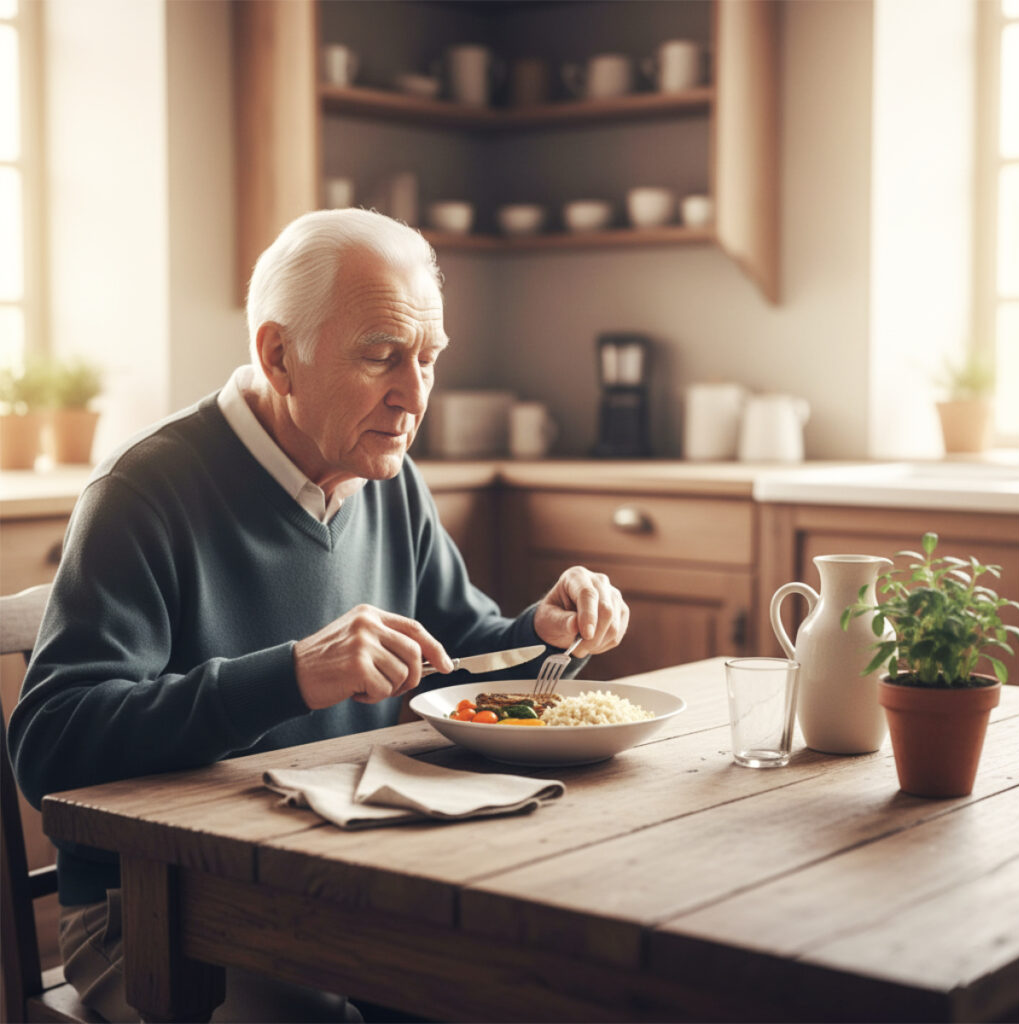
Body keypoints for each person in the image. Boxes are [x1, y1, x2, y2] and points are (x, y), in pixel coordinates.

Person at [8, 208, 629, 1022]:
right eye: (382, 357)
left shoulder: (388, 477)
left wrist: (544, 635)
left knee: (533, 987)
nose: (414, 395)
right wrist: (291, 676)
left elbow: (463, 656)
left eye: (429, 359)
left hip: (353, 879)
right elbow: (50, 747)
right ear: (278, 356)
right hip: (157, 915)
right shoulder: (142, 494)